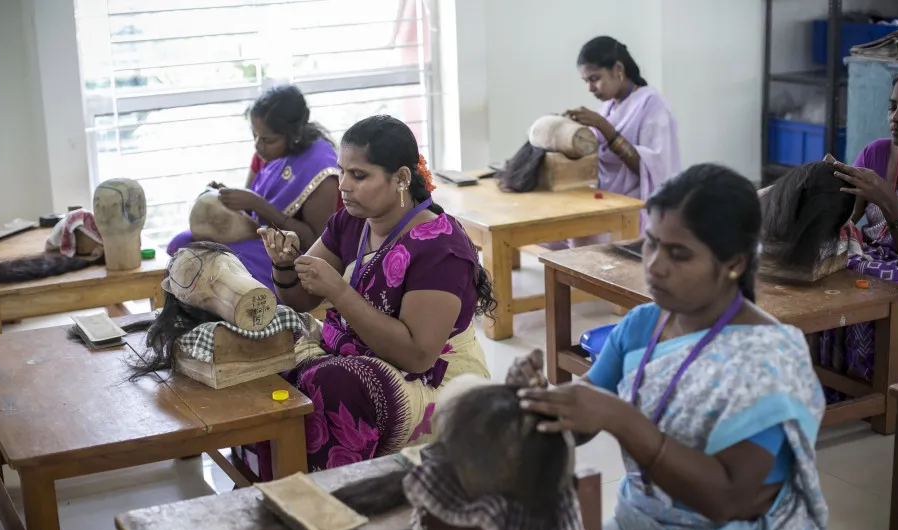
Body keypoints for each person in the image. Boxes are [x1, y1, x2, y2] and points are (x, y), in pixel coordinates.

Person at [510, 164, 828, 530]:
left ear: (734, 264)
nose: (655, 265)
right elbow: (585, 416)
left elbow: (727, 500)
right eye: (652, 242)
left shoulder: (768, 358)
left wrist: (622, 419)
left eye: (678, 253)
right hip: (641, 520)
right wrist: (537, 402)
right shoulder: (644, 323)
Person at [231, 115, 497, 477]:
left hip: (433, 380)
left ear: (402, 178)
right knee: (258, 343)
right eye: (341, 172)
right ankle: (270, 480)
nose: (344, 186)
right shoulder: (352, 221)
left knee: (338, 384)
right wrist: (284, 266)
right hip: (352, 354)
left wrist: (338, 292)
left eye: (359, 176)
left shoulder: (441, 247)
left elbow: (418, 356)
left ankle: (328, 497)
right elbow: (301, 302)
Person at [166, 84, 339, 290]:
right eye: (255, 135)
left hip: (292, 253)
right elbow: (250, 209)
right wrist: (229, 197)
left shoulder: (321, 170)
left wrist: (258, 205)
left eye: (267, 139)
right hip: (262, 235)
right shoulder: (266, 152)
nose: (258, 145)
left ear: (294, 135)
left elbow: (314, 242)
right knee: (181, 244)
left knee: (217, 263)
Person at [818, 70, 898, 390]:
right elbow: (849, 219)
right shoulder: (877, 154)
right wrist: (831, 184)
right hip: (870, 260)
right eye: (892, 107)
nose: (896, 117)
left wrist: (888, 200)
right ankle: (830, 378)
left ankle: (882, 390)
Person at [548, 36, 681, 249]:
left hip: (637, 207)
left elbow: (656, 170)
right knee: (554, 228)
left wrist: (605, 128)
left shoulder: (653, 106)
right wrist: (567, 131)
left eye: (595, 78)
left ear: (618, 69)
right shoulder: (610, 106)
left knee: (583, 238)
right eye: (586, 81)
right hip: (607, 198)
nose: (591, 88)